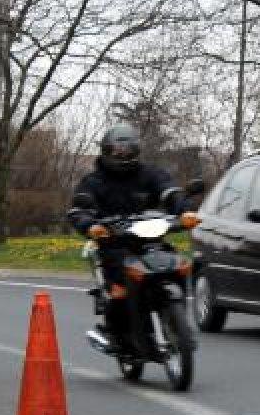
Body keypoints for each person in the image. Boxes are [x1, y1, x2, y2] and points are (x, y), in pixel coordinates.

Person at [67, 123, 195, 350]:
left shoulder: (150, 174)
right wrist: (91, 225)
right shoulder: (93, 181)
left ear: (137, 150)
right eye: (118, 151)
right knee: (120, 287)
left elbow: (169, 190)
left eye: (129, 150)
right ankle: (117, 335)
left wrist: (184, 210)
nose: (123, 155)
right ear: (106, 151)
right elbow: (80, 209)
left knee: (177, 265)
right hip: (114, 244)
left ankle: (176, 321)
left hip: (150, 240)